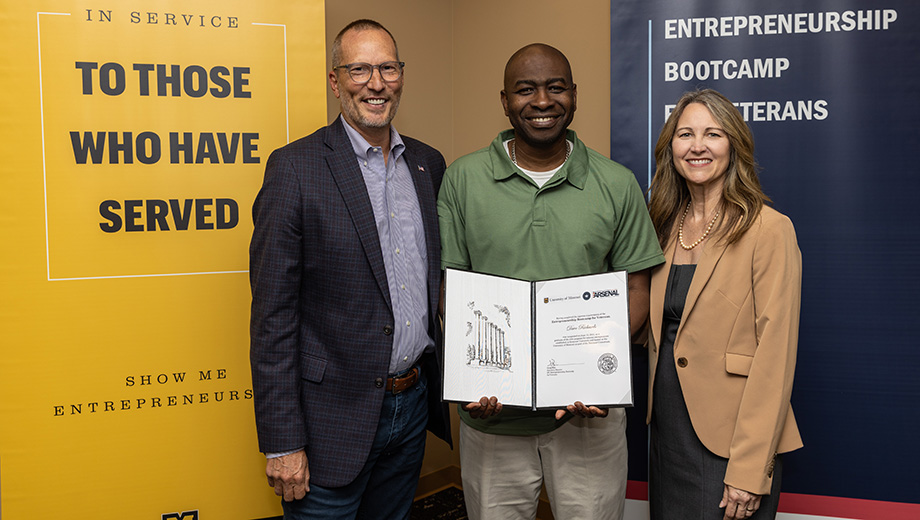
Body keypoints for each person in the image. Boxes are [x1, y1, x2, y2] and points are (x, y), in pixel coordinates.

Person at [437, 43, 664, 520]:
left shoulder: (616, 183)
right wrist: (469, 373)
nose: (542, 101)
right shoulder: (462, 179)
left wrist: (595, 374)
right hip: (493, 418)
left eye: (555, 87)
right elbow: (450, 291)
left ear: (574, 96)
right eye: (526, 89)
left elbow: (636, 291)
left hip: (587, 423)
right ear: (504, 101)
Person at [249, 19, 450, 519]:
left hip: (411, 406)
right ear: (336, 81)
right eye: (359, 69)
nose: (376, 83)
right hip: (329, 424)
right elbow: (272, 319)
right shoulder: (295, 169)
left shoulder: (429, 164)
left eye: (387, 68)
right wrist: (282, 443)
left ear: (401, 75)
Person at [644, 89, 803, 520]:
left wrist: (750, 471)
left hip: (732, 444)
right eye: (685, 134)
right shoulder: (661, 226)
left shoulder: (769, 229)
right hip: (668, 432)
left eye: (712, 134)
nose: (697, 146)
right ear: (670, 148)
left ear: (733, 146)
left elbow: (776, 355)